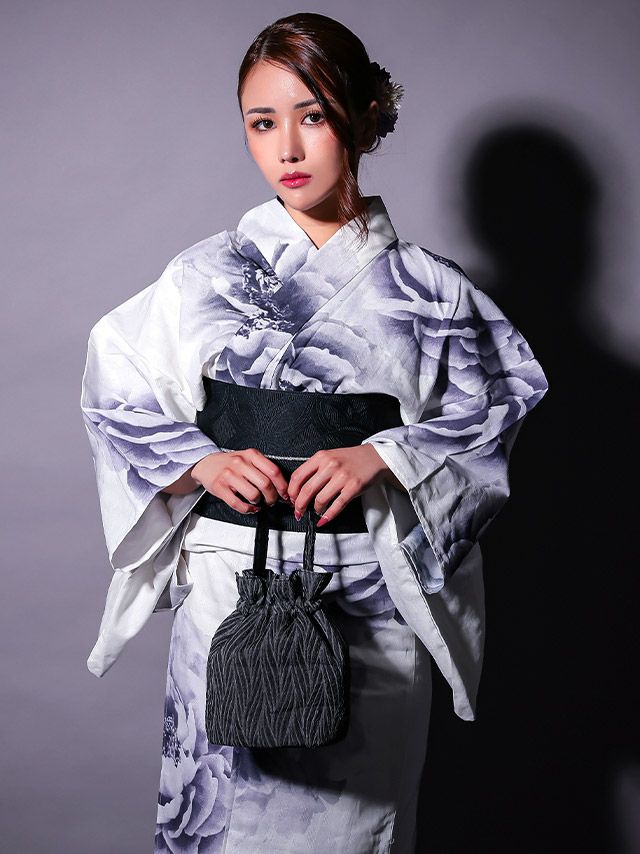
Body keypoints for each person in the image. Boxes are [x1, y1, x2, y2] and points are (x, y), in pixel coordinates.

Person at [80, 12, 549, 854]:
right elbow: (115, 389)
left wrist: (384, 454)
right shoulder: (203, 276)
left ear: (363, 118)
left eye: (314, 116)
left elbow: (498, 404)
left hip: (367, 594)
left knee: (356, 828)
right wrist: (200, 462)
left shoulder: (432, 293)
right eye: (263, 123)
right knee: (218, 819)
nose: (288, 149)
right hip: (230, 588)